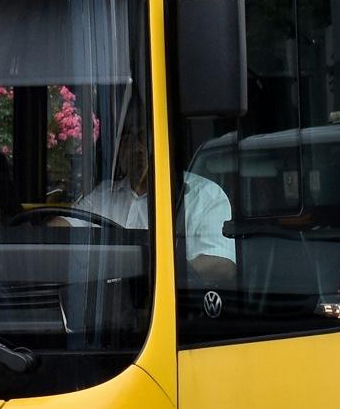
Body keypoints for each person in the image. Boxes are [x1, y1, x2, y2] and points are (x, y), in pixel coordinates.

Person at [73, 122, 235, 289]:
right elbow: (64, 227)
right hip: (105, 307)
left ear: (165, 141)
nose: (137, 148)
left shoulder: (203, 195)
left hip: (174, 304)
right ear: (119, 150)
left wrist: (147, 275)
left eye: (145, 137)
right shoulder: (103, 195)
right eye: (128, 139)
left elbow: (221, 264)